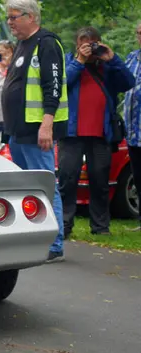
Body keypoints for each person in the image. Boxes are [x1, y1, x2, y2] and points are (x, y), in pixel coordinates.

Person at [1, 0, 68, 263]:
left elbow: (53, 86)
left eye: (14, 17)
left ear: (30, 16)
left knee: (45, 185)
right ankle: (32, 237)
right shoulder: (22, 44)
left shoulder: (47, 43)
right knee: (25, 186)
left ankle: (55, 243)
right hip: (19, 130)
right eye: (8, 17)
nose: (10, 22)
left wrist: (46, 124)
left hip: (37, 129)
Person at [59, 27, 135, 238]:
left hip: (101, 133)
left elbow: (129, 83)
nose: (89, 46)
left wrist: (113, 59)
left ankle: (100, 227)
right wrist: (79, 62)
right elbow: (61, 85)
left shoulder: (108, 66)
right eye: (84, 42)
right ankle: (64, 225)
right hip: (71, 133)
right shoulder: (68, 61)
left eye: (93, 42)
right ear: (76, 44)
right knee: (67, 178)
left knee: (100, 180)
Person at [123, 21, 141, 232]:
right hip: (134, 131)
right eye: (138, 33)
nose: (139, 36)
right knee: (138, 176)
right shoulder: (132, 57)